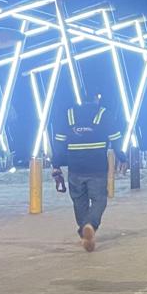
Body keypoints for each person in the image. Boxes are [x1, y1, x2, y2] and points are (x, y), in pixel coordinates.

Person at [52, 94, 124, 252]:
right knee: (99, 200)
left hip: (75, 167)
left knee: (79, 201)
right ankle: (90, 225)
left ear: (80, 99)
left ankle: (84, 231)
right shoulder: (103, 113)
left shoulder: (69, 114)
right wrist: (122, 158)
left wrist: (56, 165)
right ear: (97, 99)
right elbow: (116, 139)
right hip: (97, 167)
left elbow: (58, 143)